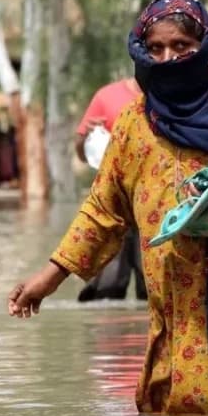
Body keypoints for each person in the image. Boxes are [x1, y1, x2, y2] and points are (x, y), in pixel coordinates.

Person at [7, 0, 208, 414]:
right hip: (173, 308)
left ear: (204, 47)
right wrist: (50, 277)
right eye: (155, 49)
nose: (168, 58)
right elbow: (103, 210)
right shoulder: (136, 122)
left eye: (181, 47)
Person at [72, 76, 146, 302]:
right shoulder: (106, 96)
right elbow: (82, 154)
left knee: (157, 290)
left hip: (155, 204)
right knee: (107, 289)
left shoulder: (175, 96)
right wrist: (87, 138)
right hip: (114, 203)